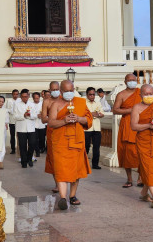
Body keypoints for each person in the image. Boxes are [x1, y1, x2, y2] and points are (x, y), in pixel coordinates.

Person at [48, 80, 93, 210]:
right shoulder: (55, 104)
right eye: (66, 91)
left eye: (71, 91)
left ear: (74, 90)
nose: (69, 93)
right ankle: (63, 197)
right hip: (60, 142)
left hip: (77, 141)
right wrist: (64, 121)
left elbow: (88, 119)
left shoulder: (80, 102)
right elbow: (51, 123)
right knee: (61, 170)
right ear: (61, 91)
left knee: (76, 171)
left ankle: (72, 195)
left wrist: (79, 118)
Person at [113, 74, 142, 188]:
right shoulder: (121, 95)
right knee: (127, 152)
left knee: (140, 152)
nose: (131, 82)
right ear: (125, 82)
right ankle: (129, 179)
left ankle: (140, 178)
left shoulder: (141, 93)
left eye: (133, 80)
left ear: (136, 81)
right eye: (129, 80)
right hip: (127, 124)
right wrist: (130, 110)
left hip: (140, 123)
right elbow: (115, 110)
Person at [42, 81, 60, 193]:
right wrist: (54, 120)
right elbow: (43, 119)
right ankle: (58, 184)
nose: (55, 91)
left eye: (56, 89)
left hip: (63, 130)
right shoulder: (46, 102)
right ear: (49, 89)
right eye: (52, 89)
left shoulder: (64, 100)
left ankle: (64, 180)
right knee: (53, 158)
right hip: (52, 131)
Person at [14, 89, 37, 168]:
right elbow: (15, 116)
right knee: (22, 146)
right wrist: (23, 115)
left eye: (26, 96)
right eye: (23, 97)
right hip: (21, 128)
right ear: (20, 97)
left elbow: (36, 115)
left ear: (28, 96)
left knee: (32, 144)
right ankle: (23, 162)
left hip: (31, 128)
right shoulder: (17, 104)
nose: (25, 98)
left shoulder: (32, 104)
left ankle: (29, 159)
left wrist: (30, 115)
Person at [85, 87, 105, 169]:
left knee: (96, 147)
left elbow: (102, 114)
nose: (92, 96)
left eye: (93, 94)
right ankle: (84, 163)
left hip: (96, 128)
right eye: (90, 94)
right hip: (87, 128)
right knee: (86, 147)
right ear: (87, 95)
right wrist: (94, 114)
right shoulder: (84, 103)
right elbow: (83, 114)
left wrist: (96, 114)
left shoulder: (98, 103)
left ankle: (95, 164)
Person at [0, 95, 9, 170]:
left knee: (2, 145)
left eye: (2, 102)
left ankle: (0, 161)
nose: (1, 103)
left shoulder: (5, 110)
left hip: (2, 129)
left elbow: (6, 120)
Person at [5, 89, 19, 154]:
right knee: (12, 135)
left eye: (17, 94)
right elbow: (7, 110)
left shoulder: (20, 101)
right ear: (12, 94)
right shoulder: (9, 101)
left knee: (19, 136)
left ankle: (19, 148)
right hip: (12, 121)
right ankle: (13, 149)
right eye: (14, 94)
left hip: (19, 121)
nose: (15, 95)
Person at [32, 92, 46, 157]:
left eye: (37, 98)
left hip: (42, 124)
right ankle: (37, 151)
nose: (36, 100)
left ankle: (41, 148)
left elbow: (47, 113)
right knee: (35, 139)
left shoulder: (43, 104)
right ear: (33, 98)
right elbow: (30, 114)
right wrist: (36, 115)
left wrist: (42, 115)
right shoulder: (31, 105)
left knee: (42, 138)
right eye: (35, 98)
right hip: (34, 124)